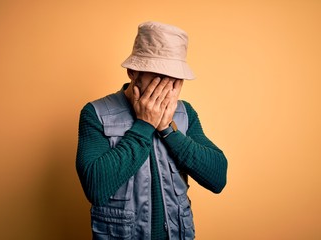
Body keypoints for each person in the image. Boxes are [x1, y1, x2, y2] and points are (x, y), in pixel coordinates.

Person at [76, 21, 228, 240]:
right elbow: (95, 187)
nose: (168, 87)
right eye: (159, 76)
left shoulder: (185, 114)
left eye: (176, 79)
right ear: (132, 72)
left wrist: (167, 130)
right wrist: (145, 125)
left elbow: (218, 178)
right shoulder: (96, 113)